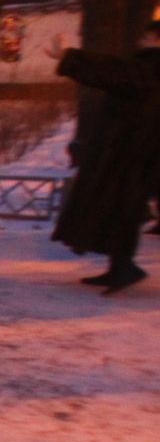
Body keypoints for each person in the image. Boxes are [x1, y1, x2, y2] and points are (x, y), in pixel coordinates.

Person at [47, 19, 160, 293]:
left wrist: (69, 56)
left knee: (121, 207)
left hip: (131, 153)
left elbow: (112, 72)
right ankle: (118, 267)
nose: (142, 41)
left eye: (148, 37)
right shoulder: (148, 68)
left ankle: (123, 267)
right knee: (120, 207)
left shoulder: (152, 67)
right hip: (136, 152)